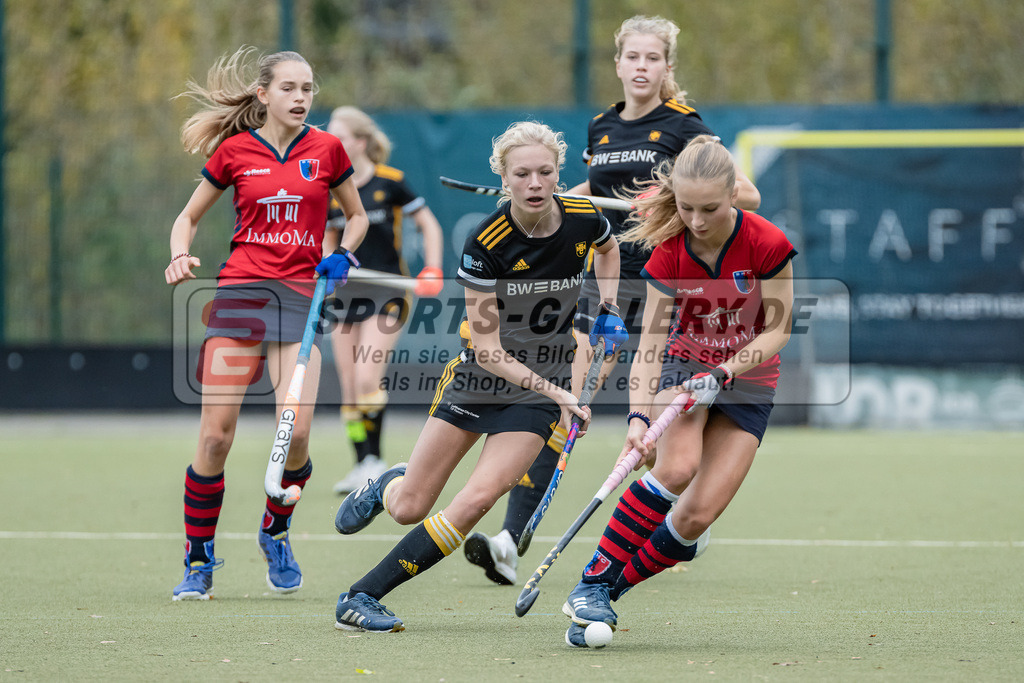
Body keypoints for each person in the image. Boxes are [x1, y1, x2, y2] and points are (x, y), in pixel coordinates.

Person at [465, 14, 762, 587]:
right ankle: (511, 537)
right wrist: (552, 196)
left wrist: (668, 196)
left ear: (666, 67)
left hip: (665, 286)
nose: (642, 67)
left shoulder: (684, 124)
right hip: (604, 284)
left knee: (648, 420)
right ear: (619, 63)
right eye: (633, 58)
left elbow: (743, 192)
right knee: (566, 405)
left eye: (654, 58)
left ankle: (671, 520)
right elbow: (596, 198)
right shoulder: (601, 127)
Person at [330, 121, 628, 632]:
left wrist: (609, 306)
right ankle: (385, 486)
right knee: (409, 507)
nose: (535, 183)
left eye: (545, 172)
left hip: (534, 398)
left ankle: (361, 596)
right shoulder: (486, 240)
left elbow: (608, 248)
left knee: (476, 501)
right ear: (504, 178)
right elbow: (488, 352)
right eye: (523, 174)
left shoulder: (583, 216)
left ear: (559, 173)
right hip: (481, 380)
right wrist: (560, 391)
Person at [560, 135, 797, 646]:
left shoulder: (767, 243)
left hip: (749, 377)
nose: (696, 220)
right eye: (686, 207)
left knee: (694, 518)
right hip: (685, 363)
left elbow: (777, 329)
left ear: (735, 194)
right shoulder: (669, 251)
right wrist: (638, 421)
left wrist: (725, 373)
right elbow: (649, 346)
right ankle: (591, 583)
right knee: (675, 468)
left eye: (709, 208)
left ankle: (605, 595)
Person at [164, 47, 368, 600]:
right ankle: (198, 560)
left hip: (299, 300)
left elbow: (357, 216)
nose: (301, 98)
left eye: (308, 89)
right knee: (215, 437)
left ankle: (275, 529)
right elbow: (187, 217)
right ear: (263, 95)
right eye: (289, 88)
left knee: (297, 431)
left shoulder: (327, 149)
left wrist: (344, 254)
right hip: (240, 294)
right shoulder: (235, 152)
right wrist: (181, 253)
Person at [322, 106, 445, 495]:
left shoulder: (390, 182)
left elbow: (428, 224)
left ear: (358, 142)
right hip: (346, 293)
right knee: (348, 387)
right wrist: (326, 272)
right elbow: (329, 239)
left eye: (339, 135)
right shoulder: (330, 189)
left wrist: (433, 267)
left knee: (366, 377)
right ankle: (362, 463)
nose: (331, 142)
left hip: (387, 289)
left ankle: (374, 461)